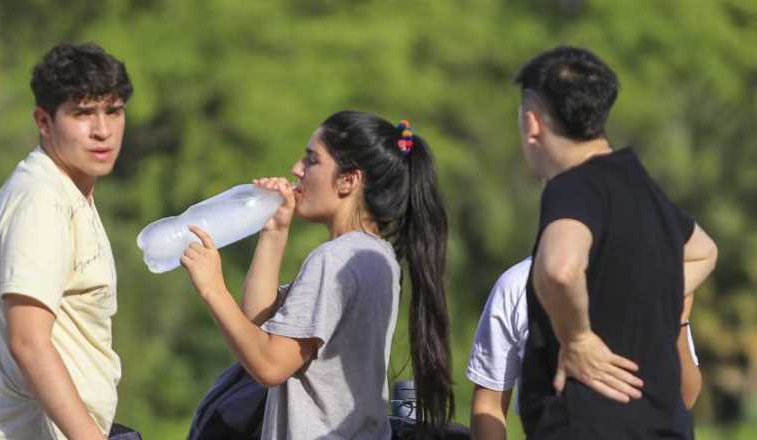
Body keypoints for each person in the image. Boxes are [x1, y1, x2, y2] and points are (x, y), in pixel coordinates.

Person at [179, 110, 455, 439]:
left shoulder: (335, 260)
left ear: (349, 181)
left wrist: (213, 289)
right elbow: (260, 324)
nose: (297, 169)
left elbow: (268, 365)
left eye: (312, 160)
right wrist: (275, 230)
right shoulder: (376, 256)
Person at [513, 46, 718, 439]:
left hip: (590, 424)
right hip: (664, 426)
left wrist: (578, 338)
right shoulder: (642, 186)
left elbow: (560, 267)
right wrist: (642, 300)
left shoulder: (573, 185)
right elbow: (704, 251)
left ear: (532, 122)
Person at [0, 42, 134, 440]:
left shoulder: (68, 191)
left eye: (113, 111)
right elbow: (28, 340)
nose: (102, 130)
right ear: (44, 121)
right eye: (82, 113)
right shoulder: (41, 200)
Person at [466, 257, 703, 440]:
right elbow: (490, 403)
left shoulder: (650, 278)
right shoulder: (516, 284)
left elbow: (685, 396)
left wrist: (679, 319)